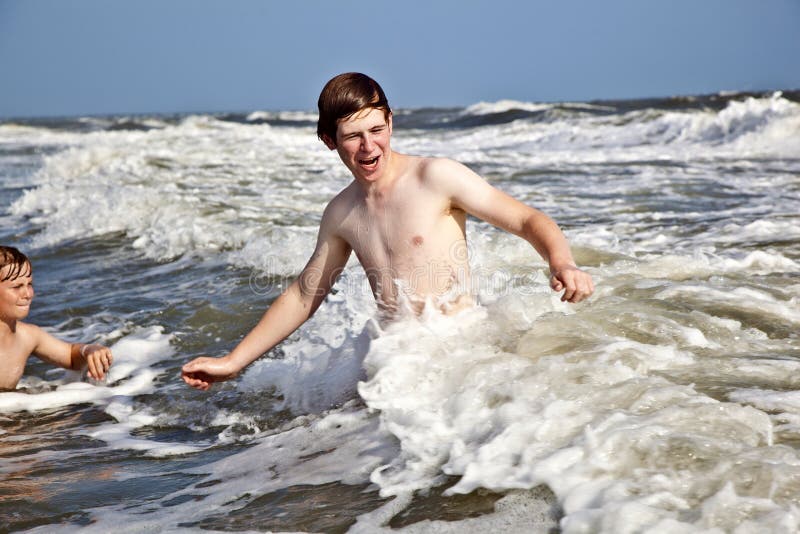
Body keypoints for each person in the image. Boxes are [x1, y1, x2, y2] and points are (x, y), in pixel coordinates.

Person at [182, 72, 594, 391]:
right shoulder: (342, 213)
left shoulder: (435, 177)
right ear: (329, 141)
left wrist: (562, 262)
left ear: (390, 121)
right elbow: (305, 294)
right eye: (353, 137)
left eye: (377, 130)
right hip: (398, 356)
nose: (369, 147)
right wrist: (233, 362)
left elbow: (526, 219)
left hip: (463, 348)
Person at [0, 246, 113, 391]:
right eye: (17, 287)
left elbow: (71, 358)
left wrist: (89, 350)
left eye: (29, 284)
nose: (27, 294)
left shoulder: (27, 336)